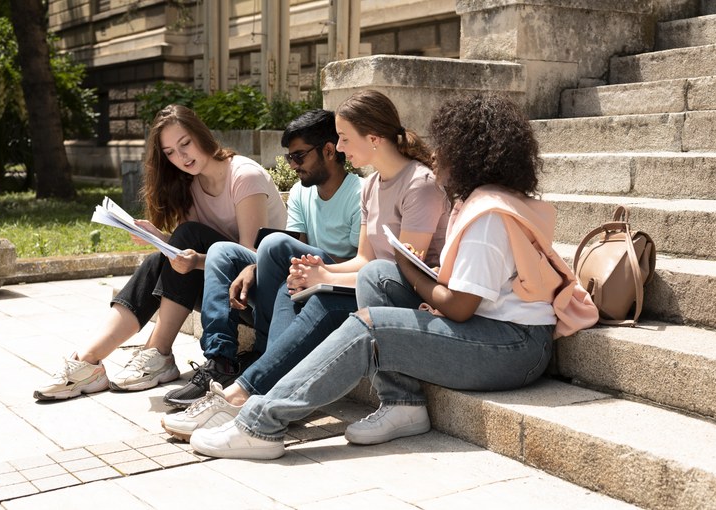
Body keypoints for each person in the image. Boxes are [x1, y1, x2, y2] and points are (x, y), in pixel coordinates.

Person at [184, 92, 599, 459]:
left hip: (514, 348)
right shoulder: (488, 200)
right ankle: (402, 404)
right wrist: (394, 273)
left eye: (447, 149)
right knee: (377, 274)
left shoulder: (485, 216)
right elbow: (449, 291)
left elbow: (458, 306)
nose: (439, 159)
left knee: (371, 325)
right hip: (501, 334)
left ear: (468, 154)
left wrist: (411, 273)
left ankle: (259, 422)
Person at [160, 89, 449, 439]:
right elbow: (365, 258)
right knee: (291, 278)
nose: (339, 148)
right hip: (374, 282)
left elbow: (404, 269)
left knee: (325, 295)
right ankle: (257, 385)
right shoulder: (372, 185)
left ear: (373, 139)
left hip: (406, 297)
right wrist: (318, 274)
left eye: (343, 138)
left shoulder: (419, 184)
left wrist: (326, 275)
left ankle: (242, 393)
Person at [33, 104, 287, 400]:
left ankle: (158, 352)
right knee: (160, 257)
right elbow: (195, 253)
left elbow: (248, 257)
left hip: (259, 296)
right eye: (170, 152)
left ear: (201, 135)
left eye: (185, 144)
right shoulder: (191, 184)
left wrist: (190, 257)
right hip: (223, 291)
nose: (181, 157)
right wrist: (158, 237)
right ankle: (89, 360)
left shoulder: (244, 176)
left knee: (187, 236)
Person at [161, 109, 362, 412]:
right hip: (299, 277)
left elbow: (362, 262)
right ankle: (221, 361)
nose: (292, 166)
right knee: (221, 251)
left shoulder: (358, 193)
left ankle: (264, 365)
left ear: (329, 151)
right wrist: (254, 267)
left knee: (273, 242)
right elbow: (296, 250)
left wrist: (313, 273)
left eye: (299, 157)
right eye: (289, 159)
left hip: (334, 282)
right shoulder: (299, 193)